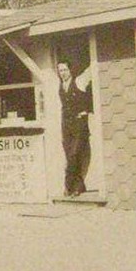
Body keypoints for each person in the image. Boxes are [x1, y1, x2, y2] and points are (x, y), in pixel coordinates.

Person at [57, 59, 92, 197]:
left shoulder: (79, 81)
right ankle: (78, 186)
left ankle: (69, 186)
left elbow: (92, 69)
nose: (63, 73)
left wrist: (86, 110)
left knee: (75, 154)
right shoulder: (61, 85)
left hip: (79, 125)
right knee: (69, 155)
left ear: (70, 70)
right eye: (60, 70)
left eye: (65, 70)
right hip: (66, 126)